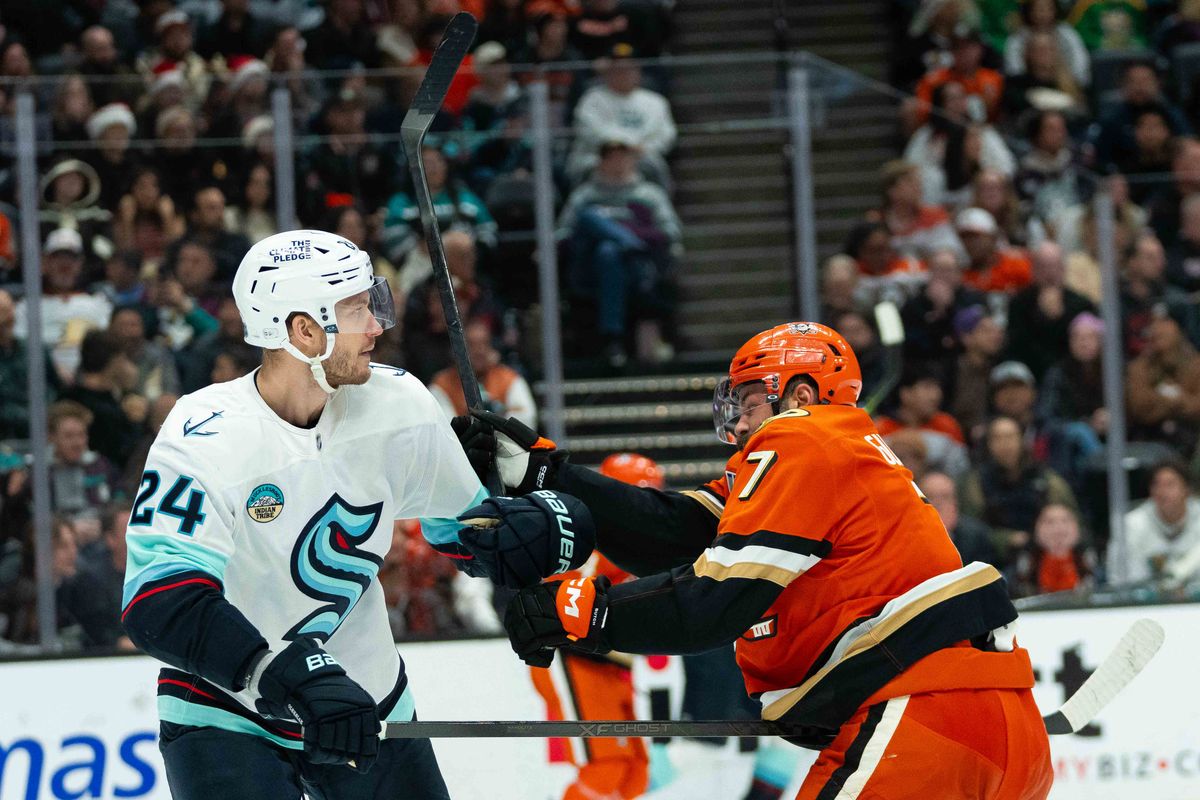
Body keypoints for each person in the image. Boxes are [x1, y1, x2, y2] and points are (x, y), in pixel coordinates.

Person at [466, 322, 1053, 799]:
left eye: (749, 400)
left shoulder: (802, 439)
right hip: (997, 729)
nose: (741, 421)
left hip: (925, 721)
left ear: (799, 394)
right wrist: (548, 473)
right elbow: (676, 531)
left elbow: (715, 603)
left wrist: (579, 610)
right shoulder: (835, 451)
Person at [121, 229, 568, 797]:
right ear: (303, 331)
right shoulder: (204, 432)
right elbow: (158, 601)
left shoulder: (401, 404)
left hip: (366, 701)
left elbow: (464, 531)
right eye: (359, 310)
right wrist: (271, 670)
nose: (379, 325)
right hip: (227, 709)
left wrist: (524, 531)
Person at [531, 453, 661, 800]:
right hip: (572, 655)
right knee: (604, 769)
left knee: (636, 774)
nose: (645, 506)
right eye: (637, 495)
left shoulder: (647, 540)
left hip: (611, 663)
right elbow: (562, 604)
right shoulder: (586, 533)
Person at [428, 319, 537, 428]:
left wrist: (496, 417)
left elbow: (527, 417)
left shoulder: (509, 379)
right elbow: (443, 425)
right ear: (458, 350)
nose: (479, 351)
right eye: (472, 345)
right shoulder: (443, 384)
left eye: (483, 344)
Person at [1111, 460, 1200, 585]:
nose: (1162, 492)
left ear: (1187, 489)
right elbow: (1121, 580)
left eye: (1170, 485)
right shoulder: (1132, 525)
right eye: (1156, 485)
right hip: (1147, 601)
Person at [920, 470, 1001, 567]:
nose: (938, 504)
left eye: (945, 497)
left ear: (955, 502)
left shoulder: (976, 536)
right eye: (930, 497)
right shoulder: (908, 539)